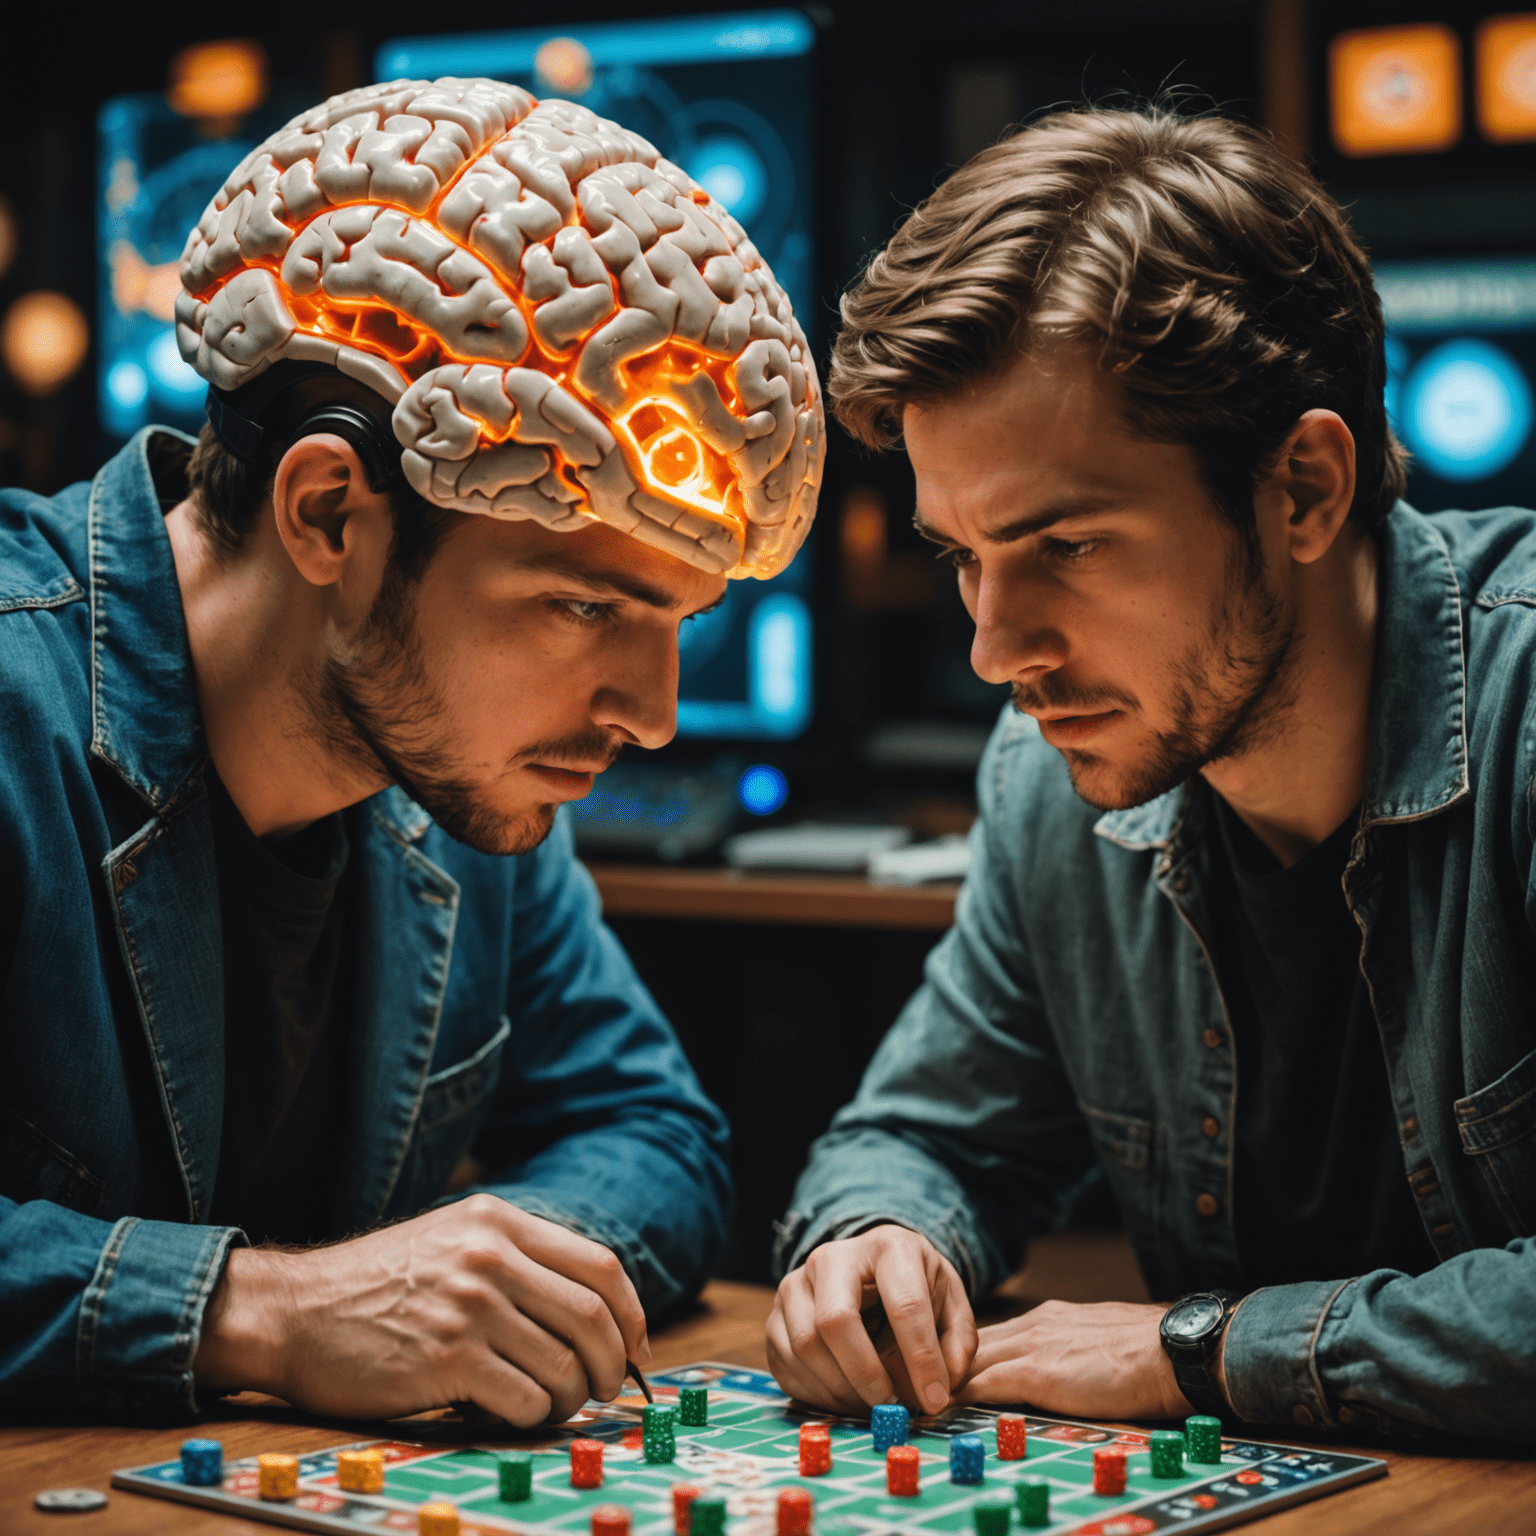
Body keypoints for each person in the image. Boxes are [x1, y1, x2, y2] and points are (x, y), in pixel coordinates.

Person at [0, 77, 823, 1424]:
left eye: (678, 623)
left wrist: (479, 1290)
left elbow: (656, 1139)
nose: (655, 714)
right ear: (330, 512)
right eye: (583, 605)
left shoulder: (455, 777)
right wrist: (262, 1315)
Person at [770, 104, 1536, 1443]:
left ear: (1302, 488)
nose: (995, 648)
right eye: (962, 555)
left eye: (1063, 544)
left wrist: (1206, 1355)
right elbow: (931, 1137)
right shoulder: (1048, 779)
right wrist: (874, 1245)